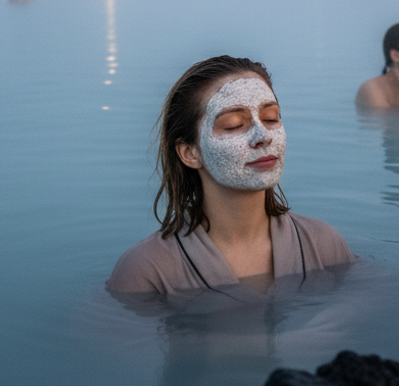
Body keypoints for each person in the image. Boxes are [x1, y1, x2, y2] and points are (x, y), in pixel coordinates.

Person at [108, 56, 355, 296]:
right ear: (190, 153)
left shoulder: (324, 246)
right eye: (235, 124)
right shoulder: (147, 271)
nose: (263, 136)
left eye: (271, 118)